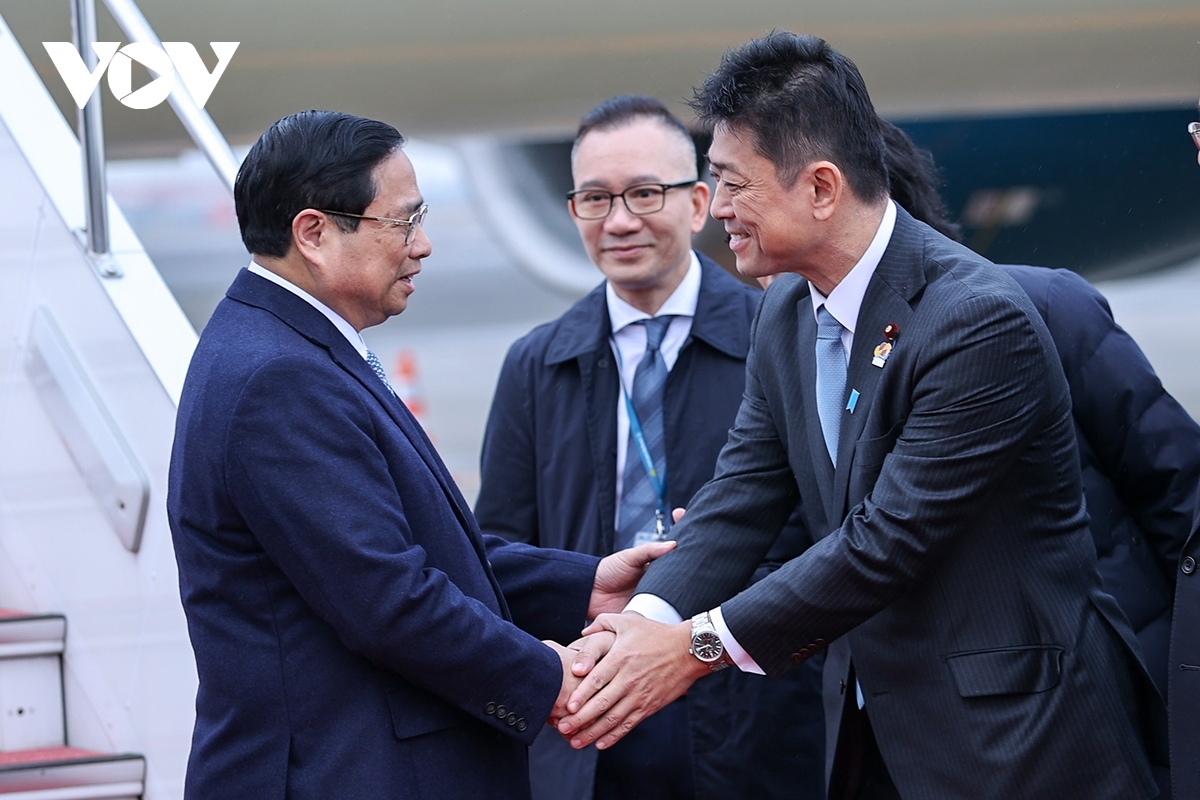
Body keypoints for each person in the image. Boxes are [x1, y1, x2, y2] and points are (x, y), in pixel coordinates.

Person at [556, 32, 1168, 799]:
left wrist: (695, 645)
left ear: (820, 188)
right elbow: (741, 495)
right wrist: (646, 621)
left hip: (1019, 744)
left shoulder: (976, 320)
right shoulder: (784, 309)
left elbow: (888, 540)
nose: (723, 214)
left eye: (734, 185)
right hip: (869, 738)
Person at [165, 109, 671, 799]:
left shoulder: (290, 346)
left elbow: (410, 547)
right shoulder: (278, 379)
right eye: (401, 222)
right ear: (313, 233)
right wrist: (549, 679)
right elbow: (388, 599)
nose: (423, 244)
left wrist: (580, 586)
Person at [476, 95, 823, 800]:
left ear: (698, 203)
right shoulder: (538, 364)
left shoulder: (782, 338)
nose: (621, 220)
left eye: (643, 193)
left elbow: (834, 529)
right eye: (595, 199)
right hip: (594, 716)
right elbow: (500, 549)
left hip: (752, 709)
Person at [881, 117, 1200, 702]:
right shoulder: (798, 356)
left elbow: (1179, 489)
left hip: (1109, 690)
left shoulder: (1045, 308)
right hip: (934, 714)